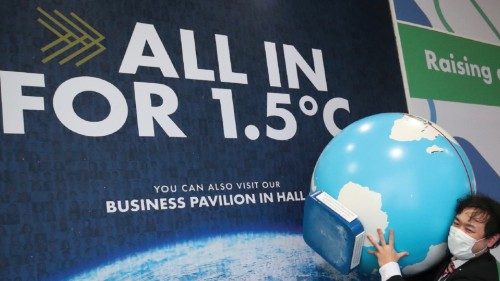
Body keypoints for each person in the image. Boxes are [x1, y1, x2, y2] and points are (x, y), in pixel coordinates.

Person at [367, 194, 500, 281]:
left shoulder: (479, 277)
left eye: (469, 229)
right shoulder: (455, 257)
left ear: (491, 239)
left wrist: (389, 266)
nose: (458, 233)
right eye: (456, 223)